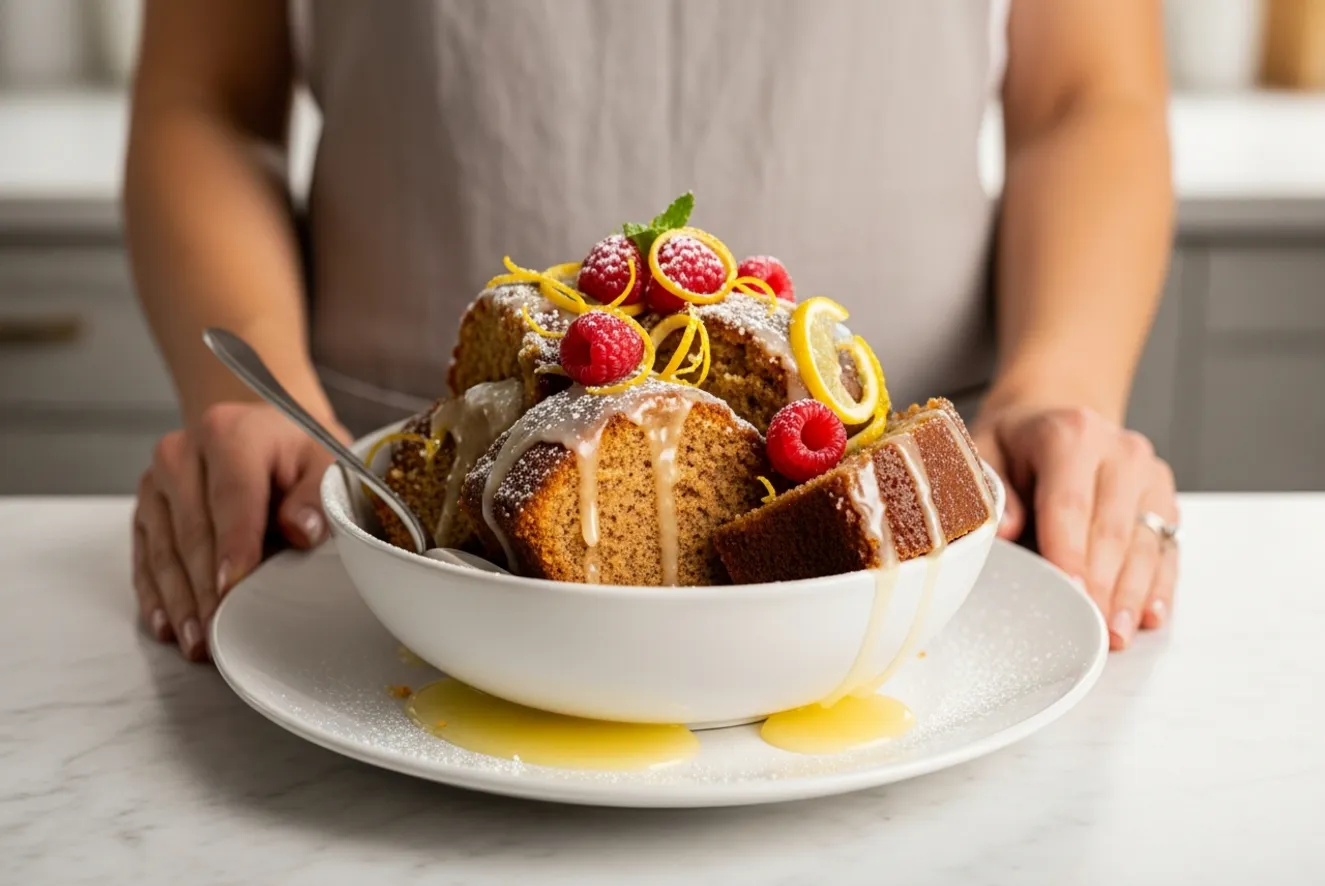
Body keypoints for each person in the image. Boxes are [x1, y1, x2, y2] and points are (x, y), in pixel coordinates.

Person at [124, 0, 1179, 662]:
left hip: (904, 530)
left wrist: (1055, 386)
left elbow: (1084, 98)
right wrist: (261, 400)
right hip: (386, 512)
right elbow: (205, 98)